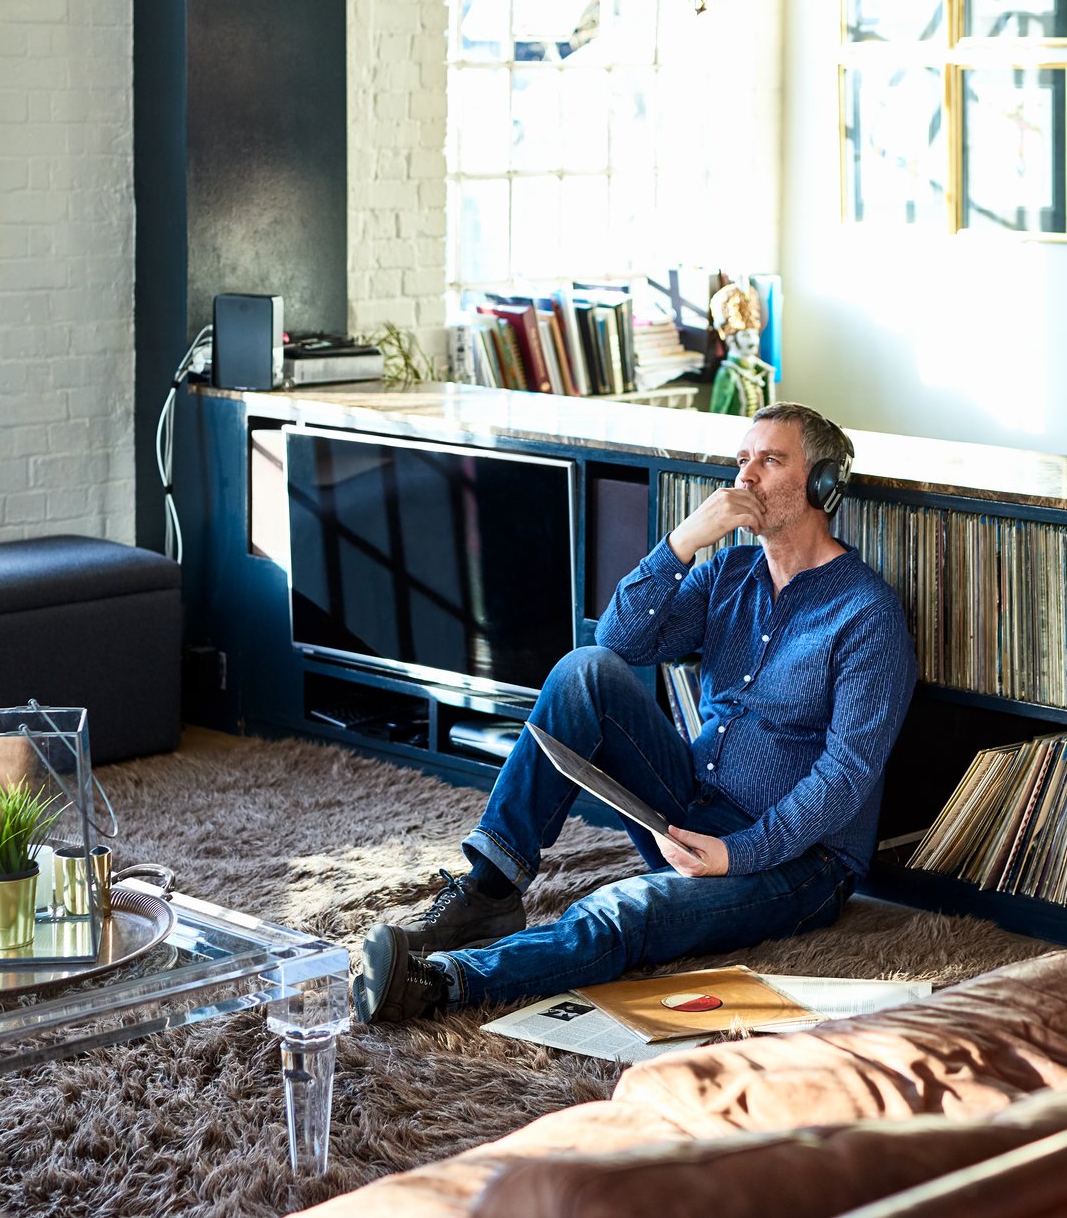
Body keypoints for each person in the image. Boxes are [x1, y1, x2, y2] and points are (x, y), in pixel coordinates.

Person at [352, 402, 919, 1024]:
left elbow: (847, 773)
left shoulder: (867, 612)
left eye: (770, 460)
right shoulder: (729, 572)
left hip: (798, 866)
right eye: (741, 461)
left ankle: (440, 982)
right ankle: (490, 887)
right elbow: (620, 641)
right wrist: (680, 543)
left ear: (822, 484)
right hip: (690, 816)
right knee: (583, 671)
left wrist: (741, 853)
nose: (746, 477)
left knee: (627, 908)